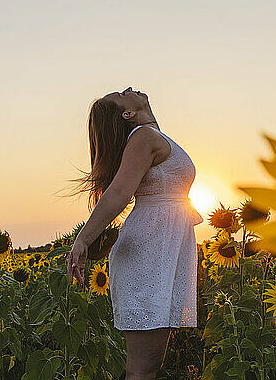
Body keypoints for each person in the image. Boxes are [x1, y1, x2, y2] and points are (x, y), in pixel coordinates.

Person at [66, 86, 203, 380]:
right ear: (128, 113)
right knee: (142, 371)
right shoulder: (143, 138)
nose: (128, 88)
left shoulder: (150, 138)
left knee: (148, 369)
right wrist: (82, 240)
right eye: (120, 93)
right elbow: (118, 192)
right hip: (148, 256)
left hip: (159, 252)